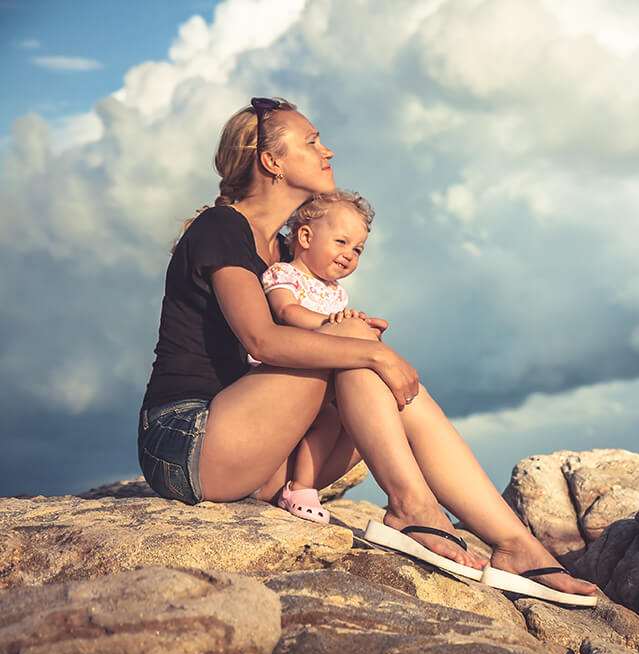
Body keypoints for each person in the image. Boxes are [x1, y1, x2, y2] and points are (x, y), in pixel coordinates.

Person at [138, 97, 597, 604]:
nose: (327, 149)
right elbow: (261, 341)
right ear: (271, 162)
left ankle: (514, 545)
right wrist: (374, 353)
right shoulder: (222, 228)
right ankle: (412, 509)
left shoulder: (284, 252)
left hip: (258, 459)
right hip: (187, 440)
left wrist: (364, 348)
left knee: (360, 356)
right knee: (358, 347)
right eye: (312, 142)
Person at [261, 189, 375, 523]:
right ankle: (301, 487)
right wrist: (333, 324)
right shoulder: (283, 274)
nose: (349, 255)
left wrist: (355, 327)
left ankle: (297, 481)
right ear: (306, 236)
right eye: (341, 242)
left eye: (357, 250)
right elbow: (286, 313)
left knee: (348, 417)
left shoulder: (337, 293)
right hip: (282, 374)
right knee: (325, 419)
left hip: (321, 377)